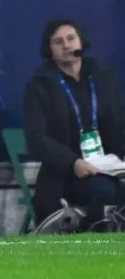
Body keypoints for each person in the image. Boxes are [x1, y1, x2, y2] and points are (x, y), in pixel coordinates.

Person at [24, 19, 125, 223]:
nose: (67, 46)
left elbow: (120, 122)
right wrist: (73, 162)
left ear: (81, 42)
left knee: (110, 186)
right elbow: (37, 139)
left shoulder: (102, 76)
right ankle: (93, 245)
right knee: (103, 189)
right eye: (58, 42)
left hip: (109, 166)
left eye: (71, 39)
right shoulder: (39, 86)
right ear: (49, 50)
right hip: (65, 175)